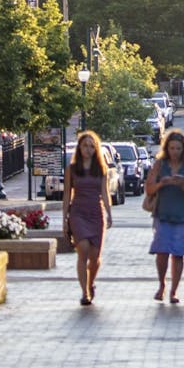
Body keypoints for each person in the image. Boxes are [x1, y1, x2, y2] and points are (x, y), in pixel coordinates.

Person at [146, 128, 184, 304]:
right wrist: (162, 183)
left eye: (178, 148)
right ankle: (161, 285)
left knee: (179, 253)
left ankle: (174, 290)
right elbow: (149, 189)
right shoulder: (159, 165)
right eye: (172, 148)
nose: (175, 152)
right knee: (162, 252)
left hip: (182, 214)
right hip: (163, 213)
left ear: (183, 149)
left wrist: (182, 184)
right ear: (166, 148)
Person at [62, 131, 112, 305]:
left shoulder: (101, 169)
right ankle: (85, 293)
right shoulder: (72, 169)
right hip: (78, 213)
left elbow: (105, 193)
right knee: (82, 249)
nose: (88, 149)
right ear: (79, 148)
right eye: (85, 145)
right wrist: (64, 219)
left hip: (96, 213)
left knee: (95, 256)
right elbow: (67, 195)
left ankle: (91, 283)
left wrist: (109, 212)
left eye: (92, 146)